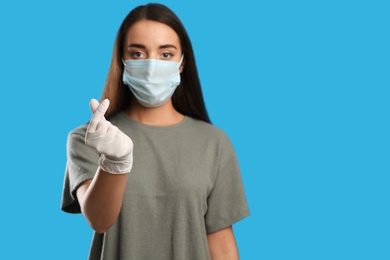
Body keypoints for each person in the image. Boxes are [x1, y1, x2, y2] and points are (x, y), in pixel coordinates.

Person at [61, 3, 250, 259]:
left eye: (165, 54)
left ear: (182, 62)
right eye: (138, 54)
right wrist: (114, 162)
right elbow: (99, 219)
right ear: (122, 61)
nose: (151, 66)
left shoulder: (214, 143)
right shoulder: (92, 138)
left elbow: (221, 245)